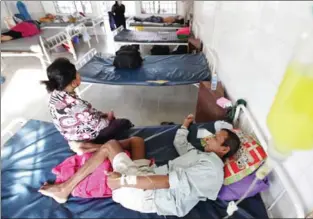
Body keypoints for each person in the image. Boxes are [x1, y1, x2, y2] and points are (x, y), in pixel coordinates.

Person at [38, 114, 241, 217]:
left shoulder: (211, 170)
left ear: (223, 150)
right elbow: (181, 144)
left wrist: (124, 180)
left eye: (216, 138)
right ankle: (91, 149)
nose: (210, 138)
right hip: (151, 175)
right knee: (137, 142)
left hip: (147, 193)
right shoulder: (203, 157)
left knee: (110, 147)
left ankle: (64, 189)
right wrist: (186, 125)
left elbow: (168, 182)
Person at [41, 58, 133, 155]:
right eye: (76, 72)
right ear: (74, 82)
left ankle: (80, 145)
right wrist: (109, 118)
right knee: (123, 123)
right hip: (85, 137)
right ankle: (91, 146)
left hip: (69, 135)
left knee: (104, 119)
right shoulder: (77, 105)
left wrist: (101, 115)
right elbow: (99, 125)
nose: (78, 74)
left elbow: (85, 116)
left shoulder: (53, 95)